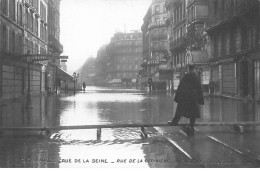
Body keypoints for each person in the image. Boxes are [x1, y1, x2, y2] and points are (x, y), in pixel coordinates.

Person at [168, 65, 204, 134]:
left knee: (179, 110)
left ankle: (175, 122)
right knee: (193, 113)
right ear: (194, 70)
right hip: (193, 98)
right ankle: (191, 126)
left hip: (184, 98)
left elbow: (180, 88)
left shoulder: (185, 77)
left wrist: (178, 98)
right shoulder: (196, 78)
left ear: (189, 70)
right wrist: (200, 100)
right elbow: (199, 89)